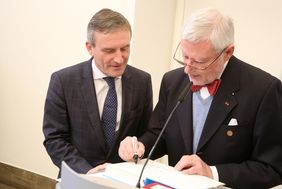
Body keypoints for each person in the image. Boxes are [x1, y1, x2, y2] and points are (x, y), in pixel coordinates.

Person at [118, 8, 282, 188]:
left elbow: (271, 169)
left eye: (199, 61)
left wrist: (212, 172)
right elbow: (159, 134)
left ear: (228, 52)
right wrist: (139, 146)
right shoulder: (172, 80)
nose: (187, 69)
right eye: (185, 57)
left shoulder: (264, 90)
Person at [43, 8, 153, 176]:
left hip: (124, 180)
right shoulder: (64, 81)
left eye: (125, 48)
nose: (119, 58)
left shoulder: (142, 81)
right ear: (90, 47)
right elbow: (54, 139)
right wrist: (86, 171)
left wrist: (139, 146)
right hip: (78, 178)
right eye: (109, 51)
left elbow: (147, 133)